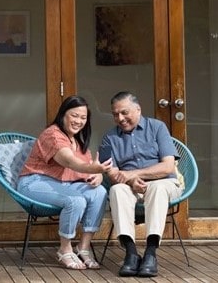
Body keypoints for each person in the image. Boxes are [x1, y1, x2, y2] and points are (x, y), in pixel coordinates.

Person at [17, 95, 113, 270]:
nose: (78, 121)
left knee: (99, 192)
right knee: (75, 200)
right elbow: (68, 161)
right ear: (63, 115)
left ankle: (83, 248)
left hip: (64, 185)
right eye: (74, 115)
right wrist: (94, 169)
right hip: (34, 182)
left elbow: (88, 168)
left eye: (83, 118)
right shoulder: (52, 134)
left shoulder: (77, 140)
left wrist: (98, 176)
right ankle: (64, 248)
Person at [99, 91, 183, 278]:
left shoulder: (157, 127)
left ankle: (151, 253)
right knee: (117, 190)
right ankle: (130, 253)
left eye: (124, 112)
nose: (120, 118)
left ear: (138, 110)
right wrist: (129, 180)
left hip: (163, 182)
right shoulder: (109, 138)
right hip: (129, 186)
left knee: (158, 188)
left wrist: (133, 173)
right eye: (115, 114)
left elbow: (167, 166)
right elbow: (111, 172)